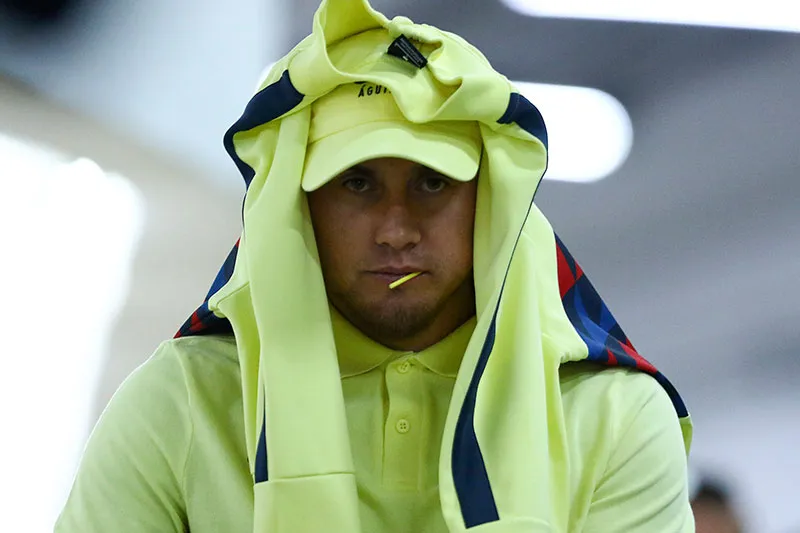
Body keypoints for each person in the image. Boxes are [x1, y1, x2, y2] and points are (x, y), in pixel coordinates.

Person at [55, 0, 695, 531]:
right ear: (301, 207)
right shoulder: (183, 403)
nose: (395, 229)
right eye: (356, 184)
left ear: (492, 203)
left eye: (433, 183)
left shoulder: (615, 416)